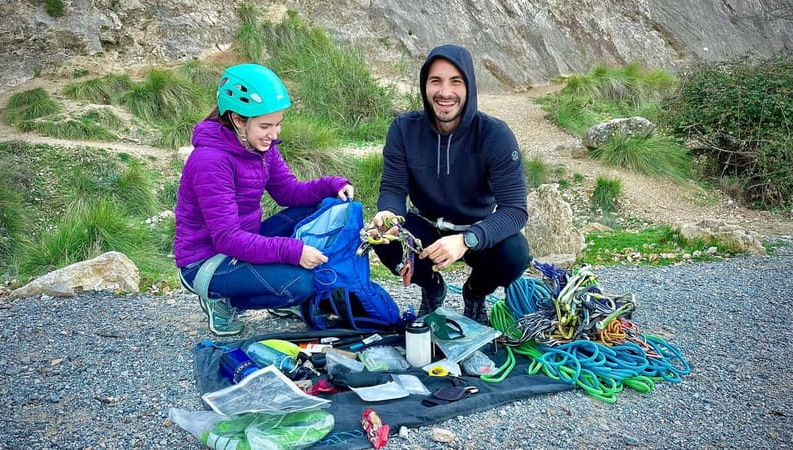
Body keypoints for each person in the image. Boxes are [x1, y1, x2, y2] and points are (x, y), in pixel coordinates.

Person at [174, 64, 354, 336]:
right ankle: (223, 301)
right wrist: (293, 252)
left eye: (278, 123)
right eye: (265, 126)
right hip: (207, 262)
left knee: (324, 206)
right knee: (301, 284)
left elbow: (288, 193)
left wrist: (332, 185)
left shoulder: (259, 146)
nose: (275, 134)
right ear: (237, 119)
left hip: (243, 242)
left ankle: (273, 287)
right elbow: (227, 239)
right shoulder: (210, 162)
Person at [370, 44, 531, 325]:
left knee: (515, 254)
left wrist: (467, 240)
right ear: (425, 86)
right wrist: (388, 215)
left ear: (469, 87)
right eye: (436, 81)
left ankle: (475, 292)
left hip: (477, 229)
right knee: (385, 237)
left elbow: (515, 210)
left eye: (455, 81)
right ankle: (432, 287)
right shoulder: (403, 128)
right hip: (426, 226)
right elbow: (393, 189)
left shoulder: (495, 134)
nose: (445, 92)